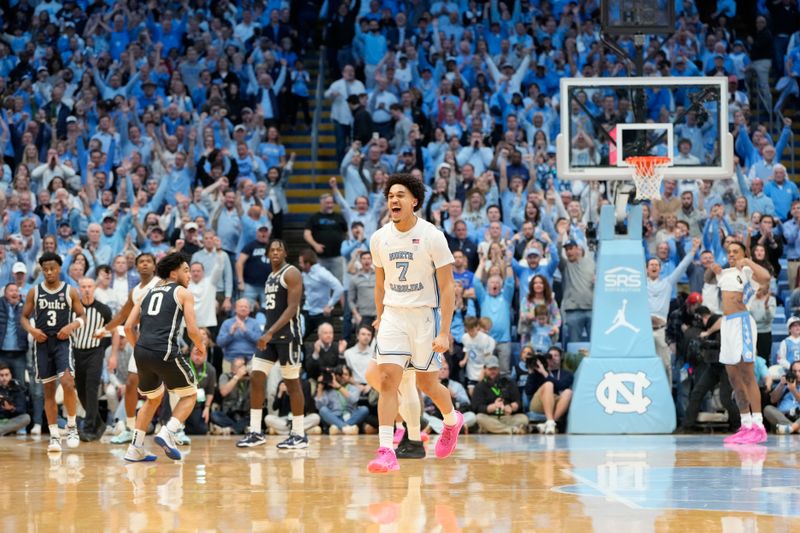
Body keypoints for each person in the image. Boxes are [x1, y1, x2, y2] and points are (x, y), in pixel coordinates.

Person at [368, 173, 463, 473]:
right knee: (386, 381)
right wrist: (380, 316)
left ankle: (451, 420)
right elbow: (380, 284)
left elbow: (448, 287)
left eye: (400, 195)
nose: (394, 200)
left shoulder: (433, 235)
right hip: (394, 316)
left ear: (414, 201)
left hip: (424, 316)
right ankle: (386, 450)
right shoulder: (379, 238)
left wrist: (445, 331)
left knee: (427, 383)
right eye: (390, 195)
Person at [122, 252, 206, 462]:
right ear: (173, 273)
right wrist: (200, 346)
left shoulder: (145, 294)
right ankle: (168, 432)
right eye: (185, 270)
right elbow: (193, 331)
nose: (189, 275)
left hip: (141, 351)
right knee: (191, 393)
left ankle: (135, 448)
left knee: (153, 398)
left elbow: (128, 327)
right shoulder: (183, 293)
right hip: (164, 349)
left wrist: (140, 349)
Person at [237, 239, 308, 450]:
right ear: (268, 254)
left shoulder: (291, 273)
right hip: (270, 337)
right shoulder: (270, 277)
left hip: (287, 336)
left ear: (285, 253)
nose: (275, 252)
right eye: (272, 250)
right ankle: (256, 431)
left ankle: (299, 433)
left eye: (279, 249)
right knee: (256, 377)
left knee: (292, 383)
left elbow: (292, 308)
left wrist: (269, 332)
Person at [20, 252, 86, 453]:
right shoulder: (34, 291)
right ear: (42, 270)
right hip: (42, 343)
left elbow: (82, 315)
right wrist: (32, 330)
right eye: (45, 269)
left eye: (52, 268)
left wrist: (71, 326)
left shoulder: (70, 290)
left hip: (62, 342)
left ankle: (72, 426)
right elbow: (23, 317)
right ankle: (55, 436)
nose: (49, 272)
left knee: (67, 382)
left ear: (59, 269)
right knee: (48, 391)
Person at [94, 253, 160, 445]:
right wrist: (105, 329)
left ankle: (177, 428)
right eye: (141, 262)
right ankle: (131, 428)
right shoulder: (135, 291)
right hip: (143, 341)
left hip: (163, 340)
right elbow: (123, 314)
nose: (145, 264)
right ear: (136, 267)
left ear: (155, 266)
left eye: (149, 261)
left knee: (172, 388)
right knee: (132, 383)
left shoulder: (161, 284)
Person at [714, 241, 772, 444]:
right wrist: (713, 268)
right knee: (733, 377)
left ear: (743, 253)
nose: (731, 254)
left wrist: (747, 260)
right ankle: (746, 424)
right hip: (727, 324)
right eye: (729, 251)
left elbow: (766, 278)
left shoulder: (747, 271)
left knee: (747, 374)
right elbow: (708, 277)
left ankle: (758, 425)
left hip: (742, 323)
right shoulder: (725, 272)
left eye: (735, 251)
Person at [70, 277, 112, 441]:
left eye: (89, 286)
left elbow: (114, 330)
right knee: (81, 392)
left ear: (94, 288)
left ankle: (88, 429)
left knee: (91, 388)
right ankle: (99, 424)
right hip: (76, 352)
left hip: (95, 352)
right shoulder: (73, 309)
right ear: (79, 288)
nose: (87, 289)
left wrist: (113, 355)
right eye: (83, 286)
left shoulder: (103, 309)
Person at [472, 355, 529, 434]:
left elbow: (518, 401)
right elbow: (476, 408)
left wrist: (512, 407)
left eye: (495, 369)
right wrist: (491, 407)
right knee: (479, 418)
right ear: (485, 369)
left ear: (498, 369)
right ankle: (509, 430)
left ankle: (494, 429)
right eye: (490, 369)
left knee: (524, 418)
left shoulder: (509, 382)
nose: (493, 371)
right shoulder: (480, 386)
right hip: (490, 417)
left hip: (507, 417)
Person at [525, 346, 574, 434]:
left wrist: (545, 373)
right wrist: (531, 373)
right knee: (548, 385)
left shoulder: (567, 374)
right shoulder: (538, 372)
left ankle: (550, 423)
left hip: (557, 404)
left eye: (556, 355)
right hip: (539, 403)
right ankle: (551, 422)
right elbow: (528, 391)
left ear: (561, 358)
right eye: (550, 356)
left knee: (568, 392)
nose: (553, 358)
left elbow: (561, 386)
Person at [315, 364, 369, 434]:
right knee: (323, 410)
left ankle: (339, 428)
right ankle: (346, 428)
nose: (343, 376)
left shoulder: (354, 388)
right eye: (341, 374)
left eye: (346, 374)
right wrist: (320, 387)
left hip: (350, 417)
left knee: (364, 409)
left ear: (350, 377)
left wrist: (338, 386)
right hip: (334, 417)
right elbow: (319, 406)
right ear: (336, 375)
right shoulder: (328, 389)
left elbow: (353, 399)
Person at [0, 283, 28, 386]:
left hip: (19, 354)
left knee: (20, 385)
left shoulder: (24, 306)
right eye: (11, 290)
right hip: (1, 353)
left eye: (16, 290)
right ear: (5, 293)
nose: (14, 292)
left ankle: (20, 402)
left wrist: (19, 306)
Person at [0, 362, 30, 436]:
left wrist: (11, 408)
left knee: (26, 418)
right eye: (1, 375)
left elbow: (22, 409)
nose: (4, 378)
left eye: (6, 375)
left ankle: (3, 430)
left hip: (12, 419)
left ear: (11, 375)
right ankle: (6, 430)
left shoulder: (17, 387)